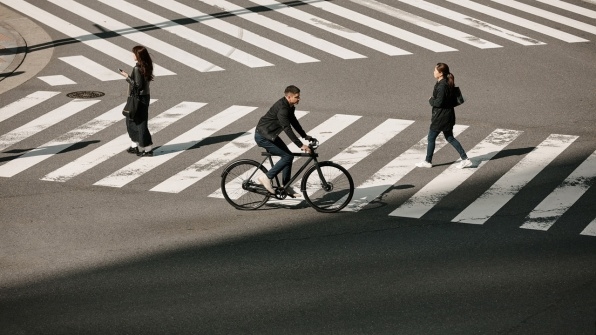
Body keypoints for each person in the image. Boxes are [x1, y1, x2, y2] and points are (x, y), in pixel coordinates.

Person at [255, 85, 313, 197]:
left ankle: (286, 186)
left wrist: (304, 135)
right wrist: (300, 145)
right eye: (297, 97)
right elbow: (287, 128)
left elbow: (294, 122)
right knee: (288, 157)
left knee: (288, 156)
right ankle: (266, 177)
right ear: (289, 97)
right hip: (263, 136)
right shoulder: (283, 109)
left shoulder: (289, 106)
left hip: (270, 134)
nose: (299, 99)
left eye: (299, 96)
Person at [416, 63, 473, 169]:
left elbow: (438, 102)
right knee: (450, 137)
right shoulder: (444, 82)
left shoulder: (442, 86)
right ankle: (465, 159)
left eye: (435, 70)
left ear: (440, 73)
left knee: (431, 137)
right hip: (447, 115)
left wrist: (431, 100)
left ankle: (428, 161)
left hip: (441, 117)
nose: (433, 72)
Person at [119, 45, 154, 157]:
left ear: (138, 55)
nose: (132, 55)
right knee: (132, 121)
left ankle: (147, 149)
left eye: (133, 53)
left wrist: (126, 76)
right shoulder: (146, 65)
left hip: (138, 98)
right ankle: (135, 145)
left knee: (138, 122)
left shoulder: (137, 68)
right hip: (144, 97)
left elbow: (137, 85)